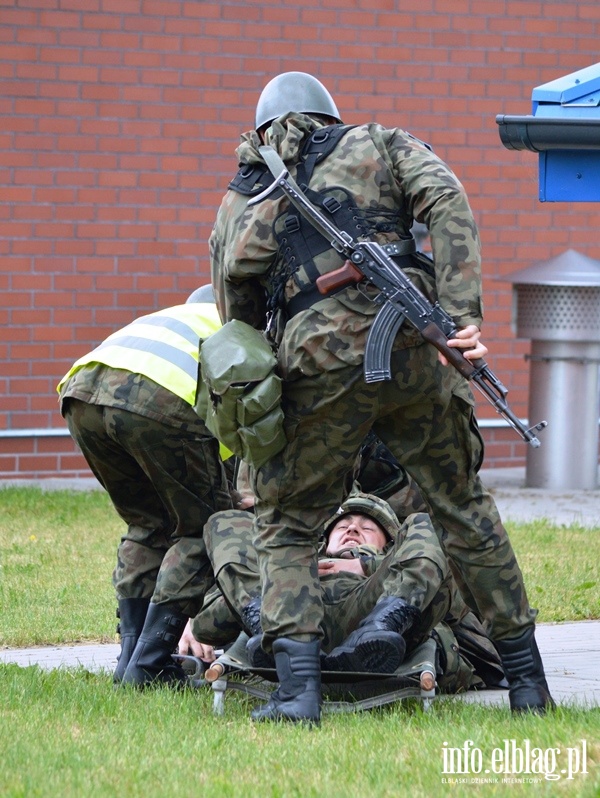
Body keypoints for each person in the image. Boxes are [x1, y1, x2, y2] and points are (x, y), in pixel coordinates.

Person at [209, 71, 552, 723]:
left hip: (319, 358)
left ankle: (298, 693)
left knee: (285, 520)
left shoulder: (244, 196)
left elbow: (237, 320)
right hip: (417, 339)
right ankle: (528, 684)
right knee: (461, 506)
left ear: (261, 130)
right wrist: (459, 313)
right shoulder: (381, 143)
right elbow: (446, 197)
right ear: (330, 115)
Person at [57, 284, 234, 687]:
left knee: (148, 524)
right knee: (206, 527)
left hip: (82, 395)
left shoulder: (170, 319)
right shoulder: (237, 327)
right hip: (159, 399)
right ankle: (151, 664)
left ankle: (129, 660)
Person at [190, 493, 505, 700]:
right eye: (345, 524)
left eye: (368, 527)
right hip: (293, 616)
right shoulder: (294, 566)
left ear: (390, 545)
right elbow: (210, 624)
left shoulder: (395, 565)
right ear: (324, 540)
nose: (354, 529)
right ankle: (267, 628)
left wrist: (366, 564)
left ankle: (384, 624)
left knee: (429, 521)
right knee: (226, 521)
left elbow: (453, 601)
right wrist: (290, 575)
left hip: (376, 616)